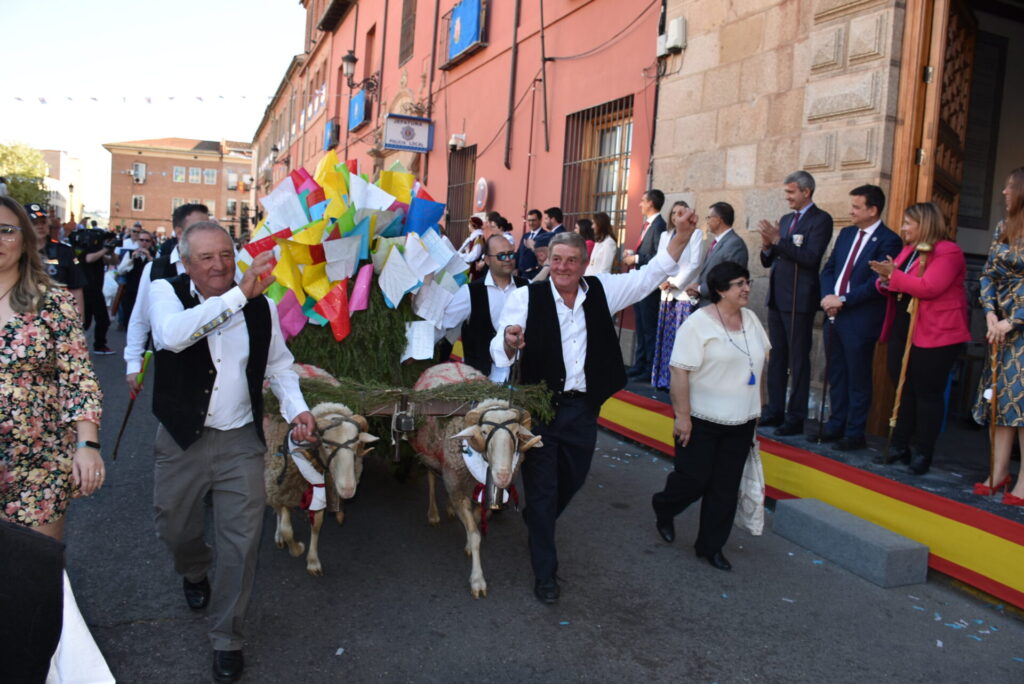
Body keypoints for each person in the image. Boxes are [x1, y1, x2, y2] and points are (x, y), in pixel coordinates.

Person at [492, 217, 698, 604]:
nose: (563, 267)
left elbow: (652, 274)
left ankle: (539, 522)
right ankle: (546, 575)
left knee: (573, 478)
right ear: (547, 260)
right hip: (540, 406)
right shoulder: (526, 297)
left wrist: (682, 237)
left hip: (582, 408)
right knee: (542, 490)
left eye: (571, 260)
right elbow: (500, 343)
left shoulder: (604, 291)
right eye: (556, 259)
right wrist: (508, 340)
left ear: (584, 264)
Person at [147, 221, 316, 681]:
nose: (219, 264)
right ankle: (194, 568)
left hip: (241, 439)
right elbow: (173, 336)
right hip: (183, 438)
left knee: (241, 545)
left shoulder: (259, 305)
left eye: (226, 253)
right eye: (206, 257)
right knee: (174, 528)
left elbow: (279, 366)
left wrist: (297, 408)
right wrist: (240, 295)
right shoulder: (165, 290)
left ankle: (227, 637)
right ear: (186, 263)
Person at [651, 261, 768, 571]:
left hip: (741, 420)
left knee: (725, 488)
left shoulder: (752, 320)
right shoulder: (698, 324)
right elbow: (679, 372)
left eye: (747, 283)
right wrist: (683, 416)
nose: (745, 289)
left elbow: (761, 364)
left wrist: (759, 406)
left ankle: (710, 546)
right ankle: (664, 506)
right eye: (738, 284)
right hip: (701, 418)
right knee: (693, 480)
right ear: (719, 290)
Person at [0, 196, 104, 540]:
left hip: (37, 465)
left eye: (6, 231)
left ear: (26, 240)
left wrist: (87, 446)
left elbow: (78, 378)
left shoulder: (52, 301)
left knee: (33, 574)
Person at [868, 202, 970, 475]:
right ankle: (901, 447)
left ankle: (923, 452)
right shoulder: (908, 251)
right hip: (905, 328)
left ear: (923, 224)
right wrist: (884, 278)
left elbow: (929, 287)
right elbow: (894, 280)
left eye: (907, 223)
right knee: (903, 387)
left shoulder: (949, 251)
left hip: (936, 333)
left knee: (927, 393)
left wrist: (893, 275)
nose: (902, 228)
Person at [818, 185, 902, 450]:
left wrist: (842, 300)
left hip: (860, 317)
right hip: (834, 314)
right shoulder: (846, 233)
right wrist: (828, 297)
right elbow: (829, 269)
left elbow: (877, 284)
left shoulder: (889, 240)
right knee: (837, 374)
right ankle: (835, 425)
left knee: (858, 377)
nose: (850, 211)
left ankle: (854, 434)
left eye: (856, 207)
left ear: (873, 210)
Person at [757, 170, 833, 436]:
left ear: (806, 192)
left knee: (798, 359)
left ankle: (795, 415)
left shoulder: (820, 220)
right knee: (776, 357)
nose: (786, 197)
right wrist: (767, 245)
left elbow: (811, 258)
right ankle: (774, 409)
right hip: (778, 297)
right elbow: (769, 260)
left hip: (800, 299)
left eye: (791, 192)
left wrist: (778, 241)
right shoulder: (787, 219)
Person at [970, 167, 1024, 505]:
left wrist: (1015, 320)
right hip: (999, 328)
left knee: (1022, 406)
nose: (1003, 193)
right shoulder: (1003, 228)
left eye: (1008, 187)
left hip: (1019, 328)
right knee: (999, 402)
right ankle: (998, 471)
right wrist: (990, 312)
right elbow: (989, 273)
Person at [124, 203, 209, 393]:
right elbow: (140, 317)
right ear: (179, 232)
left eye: (209, 227)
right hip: (171, 365)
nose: (207, 234)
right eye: (199, 228)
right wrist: (133, 363)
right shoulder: (156, 269)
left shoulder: (223, 266)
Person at [440, 234, 527, 382]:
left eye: (511, 254)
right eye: (501, 256)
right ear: (487, 259)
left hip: (519, 378)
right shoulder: (470, 292)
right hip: (480, 378)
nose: (507, 259)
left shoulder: (527, 287)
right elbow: (444, 324)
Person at [651, 201, 703, 389]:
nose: (676, 216)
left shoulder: (696, 234)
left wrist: (675, 283)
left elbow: (695, 263)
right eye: (674, 213)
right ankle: (662, 379)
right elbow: (659, 261)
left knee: (681, 342)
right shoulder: (665, 235)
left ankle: (679, 384)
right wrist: (661, 282)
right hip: (666, 293)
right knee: (665, 340)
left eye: (681, 212)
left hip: (682, 294)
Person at [624, 189, 667, 380]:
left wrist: (636, 257)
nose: (639, 204)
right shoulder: (647, 225)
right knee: (640, 326)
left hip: (650, 287)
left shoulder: (659, 226)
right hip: (640, 283)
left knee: (649, 329)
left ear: (651, 203)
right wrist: (633, 253)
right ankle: (639, 364)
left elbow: (659, 256)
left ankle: (649, 369)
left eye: (642, 201)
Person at [25, 202, 85, 318]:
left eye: (43, 222)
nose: (40, 226)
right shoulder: (16, 252)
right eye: (34, 223)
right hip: (24, 316)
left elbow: (76, 288)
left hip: (57, 316)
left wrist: (79, 321)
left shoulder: (64, 251)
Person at [685, 202, 748, 308]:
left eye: (709, 217)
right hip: (708, 305)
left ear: (718, 220)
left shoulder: (734, 244)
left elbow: (729, 280)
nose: (707, 221)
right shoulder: (719, 242)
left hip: (721, 308)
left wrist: (700, 289)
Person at [72, 221, 118, 354]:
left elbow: (114, 262)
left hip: (95, 289)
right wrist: (104, 249)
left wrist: (111, 250)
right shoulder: (84, 249)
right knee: (96, 319)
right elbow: (88, 259)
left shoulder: (100, 251)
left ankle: (93, 344)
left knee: (92, 320)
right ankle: (98, 345)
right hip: (87, 289)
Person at [115, 229, 155, 323]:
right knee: (128, 316)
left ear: (151, 243)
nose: (144, 243)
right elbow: (120, 271)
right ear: (137, 241)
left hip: (147, 292)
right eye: (141, 240)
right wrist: (131, 260)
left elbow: (158, 273)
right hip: (131, 290)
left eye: (147, 240)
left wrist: (149, 258)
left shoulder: (155, 255)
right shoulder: (129, 254)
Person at [584, 212, 617, 276]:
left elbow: (605, 268)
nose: (592, 227)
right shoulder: (598, 241)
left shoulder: (609, 242)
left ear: (600, 224)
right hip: (589, 279)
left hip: (598, 282)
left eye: (594, 223)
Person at [515, 208, 544, 275]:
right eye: (529, 220)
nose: (531, 223)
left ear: (540, 220)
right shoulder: (525, 235)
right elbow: (519, 253)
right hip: (521, 274)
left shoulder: (545, 236)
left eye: (533, 220)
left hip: (534, 275)